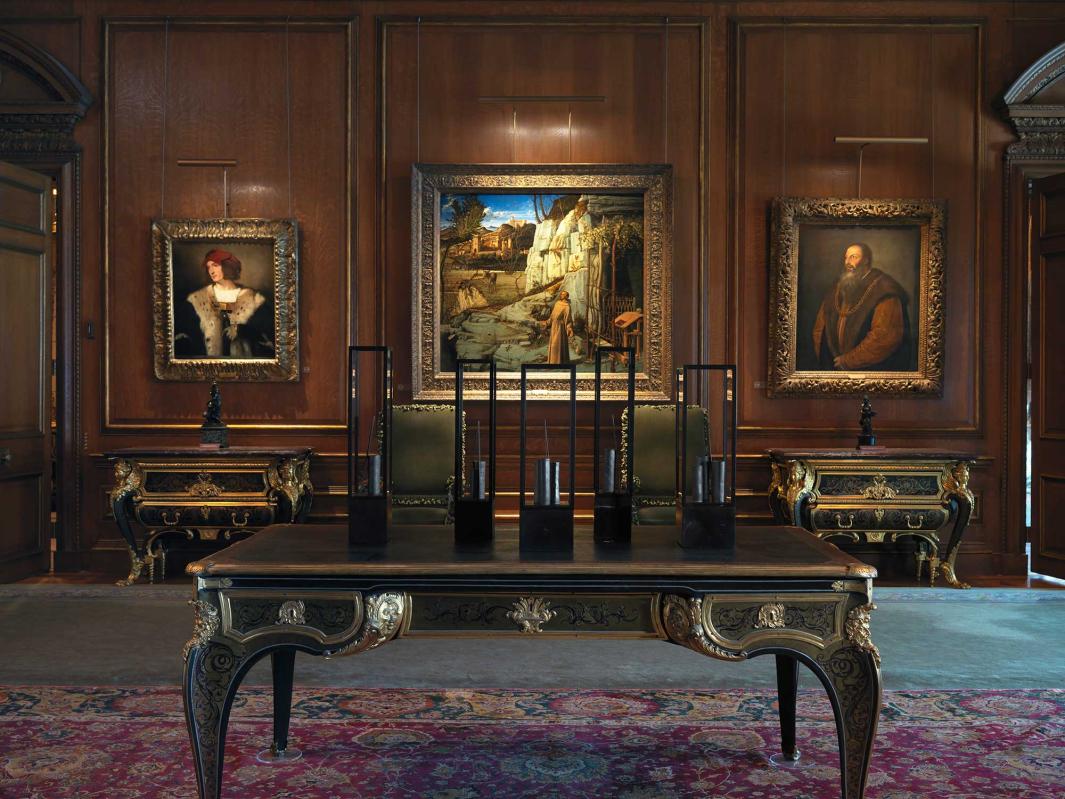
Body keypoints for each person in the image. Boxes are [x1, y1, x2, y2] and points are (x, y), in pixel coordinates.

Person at [811, 242, 911, 371]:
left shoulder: (884, 288)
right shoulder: (839, 286)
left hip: (871, 370)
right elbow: (820, 328)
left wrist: (848, 360)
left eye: (853, 257)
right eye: (846, 257)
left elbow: (885, 337)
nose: (847, 262)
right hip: (835, 368)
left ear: (866, 261)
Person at [175, 248, 274, 358]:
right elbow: (186, 336)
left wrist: (240, 329)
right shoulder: (197, 299)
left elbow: (267, 332)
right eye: (208, 267)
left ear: (228, 266)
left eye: (215, 265)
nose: (211, 271)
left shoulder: (253, 298)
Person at [544, 290, 574, 364]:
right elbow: (553, 315)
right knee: (553, 344)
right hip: (554, 325)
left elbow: (568, 319)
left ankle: (560, 361)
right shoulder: (557, 303)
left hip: (560, 327)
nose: (561, 295)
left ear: (567, 296)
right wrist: (548, 322)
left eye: (564, 294)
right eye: (561, 294)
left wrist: (569, 328)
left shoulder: (567, 306)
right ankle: (552, 361)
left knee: (557, 344)